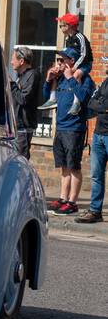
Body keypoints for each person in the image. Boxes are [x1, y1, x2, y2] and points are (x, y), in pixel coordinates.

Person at [44, 46, 95, 216]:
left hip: (74, 129)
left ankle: (72, 202)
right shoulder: (62, 79)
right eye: (59, 60)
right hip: (60, 128)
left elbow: (83, 99)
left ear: (72, 61)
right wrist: (48, 80)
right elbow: (47, 99)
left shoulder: (85, 80)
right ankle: (63, 198)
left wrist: (71, 79)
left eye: (63, 60)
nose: (60, 63)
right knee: (64, 167)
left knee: (74, 167)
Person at [76, 57, 108, 225]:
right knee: (96, 175)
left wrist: (101, 104)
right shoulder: (104, 83)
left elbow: (97, 104)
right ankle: (95, 211)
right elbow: (92, 103)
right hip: (98, 135)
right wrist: (104, 106)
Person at [40, 13, 93, 112]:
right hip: (73, 63)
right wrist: (62, 65)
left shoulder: (80, 37)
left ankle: (76, 103)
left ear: (69, 25)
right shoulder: (68, 39)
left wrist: (74, 67)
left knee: (77, 74)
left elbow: (84, 55)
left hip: (85, 64)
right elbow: (67, 53)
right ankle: (52, 98)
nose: (60, 28)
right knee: (57, 74)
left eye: (62, 26)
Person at [9, 45, 41, 159]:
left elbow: (23, 99)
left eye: (13, 59)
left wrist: (12, 85)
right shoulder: (21, 76)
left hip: (23, 127)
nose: (11, 62)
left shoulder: (32, 75)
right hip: (15, 127)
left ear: (21, 61)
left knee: (20, 161)